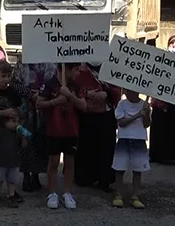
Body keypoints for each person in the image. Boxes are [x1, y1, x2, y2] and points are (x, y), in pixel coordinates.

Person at [36, 64, 86, 210]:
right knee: (53, 162)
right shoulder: (49, 84)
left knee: (70, 163)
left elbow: (83, 105)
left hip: (72, 131)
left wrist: (70, 95)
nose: (78, 73)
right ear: (66, 69)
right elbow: (38, 103)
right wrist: (55, 101)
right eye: (76, 70)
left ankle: (67, 193)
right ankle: (52, 193)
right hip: (53, 130)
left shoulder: (76, 86)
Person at [0, 61, 26, 204]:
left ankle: (11, 191)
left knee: (10, 162)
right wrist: (3, 113)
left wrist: (17, 120)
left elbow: (21, 110)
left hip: (11, 134)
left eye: (8, 76)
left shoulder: (13, 92)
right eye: (3, 76)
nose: (6, 79)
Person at [74, 62, 120, 191]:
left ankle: (104, 179)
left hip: (106, 113)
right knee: (86, 145)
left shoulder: (111, 67)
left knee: (106, 147)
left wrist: (107, 94)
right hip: (86, 113)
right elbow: (72, 88)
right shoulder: (80, 70)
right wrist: (86, 94)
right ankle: (85, 177)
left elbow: (117, 88)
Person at [14, 61, 57, 191]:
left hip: (43, 109)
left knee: (41, 142)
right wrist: (29, 93)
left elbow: (54, 82)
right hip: (25, 110)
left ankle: (36, 175)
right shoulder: (21, 64)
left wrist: (42, 94)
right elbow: (14, 84)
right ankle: (26, 176)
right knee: (25, 143)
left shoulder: (49, 64)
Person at [149, 35, 175, 164]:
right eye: (172, 43)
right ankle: (157, 155)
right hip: (161, 101)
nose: (174, 45)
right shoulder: (160, 59)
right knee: (160, 128)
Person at [111, 89, 151, 209]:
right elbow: (121, 122)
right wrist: (138, 115)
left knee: (137, 170)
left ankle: (135, 196)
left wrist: (147, 113)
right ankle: (118, 195)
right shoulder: (122, 104)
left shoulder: (144, 104)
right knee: (119, 168)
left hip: (139, 139)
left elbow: (147, 124)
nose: (127, 93)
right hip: (124, 139)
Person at [0, 115, 24, 208]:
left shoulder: (17, 133)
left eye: (17, 122)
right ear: (5, 121)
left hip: (13, 161)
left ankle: (11, 195)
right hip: (0, 161)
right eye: (13, 121)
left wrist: (24, 137)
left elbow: (23, 145)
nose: (16, 124)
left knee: (12, 180)